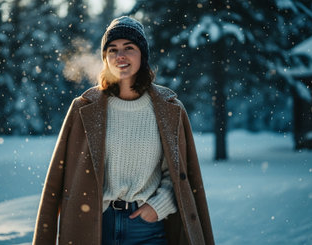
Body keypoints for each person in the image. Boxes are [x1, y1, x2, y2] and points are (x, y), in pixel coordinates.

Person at [33, 16, 215, 245]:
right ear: (105, 58)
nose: (120, 56)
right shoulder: (84, 109)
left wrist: (157, 207)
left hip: (148, 228)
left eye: (129, 48)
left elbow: (180, 175)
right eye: (112, 50)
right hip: (94, 227)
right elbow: (55, 184)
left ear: (143, 55)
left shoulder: (170, 109)